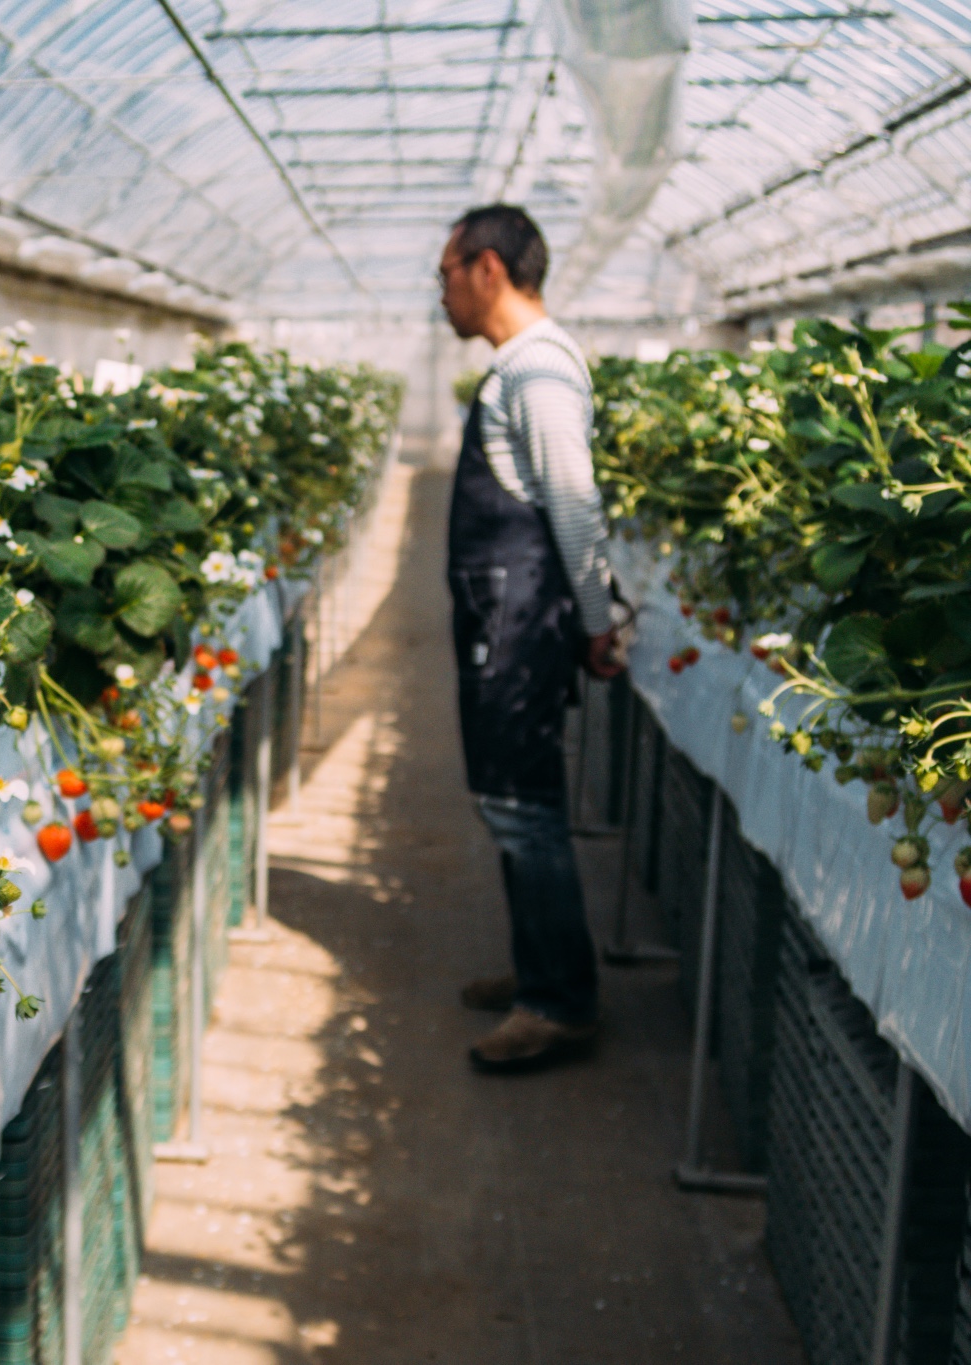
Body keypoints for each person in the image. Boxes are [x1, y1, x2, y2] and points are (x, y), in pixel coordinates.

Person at [436, 204, 622, 1075]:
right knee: (514, 799)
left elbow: (574, 506)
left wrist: (597, 623)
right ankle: (542, 967)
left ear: (488, 269)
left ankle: (558, 1002)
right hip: (502, 616)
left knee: (523, 804)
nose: (441, 291)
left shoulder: (539, 372)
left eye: (446, 272)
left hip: (521, 623)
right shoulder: (518, 369)